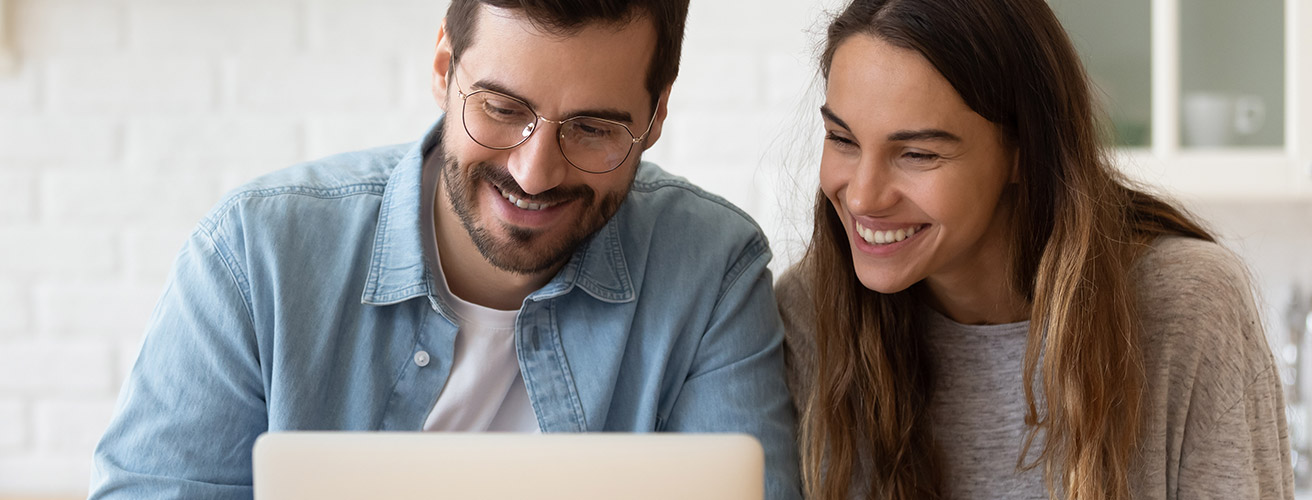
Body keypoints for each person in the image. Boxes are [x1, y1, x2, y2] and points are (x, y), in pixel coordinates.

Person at [89, 1, 802, 498]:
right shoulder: (253, 257)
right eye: (501, 109)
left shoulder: (713, 271)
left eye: (592, 129)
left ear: (655, 117)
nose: (535, 173)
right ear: (443, 66)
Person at [776, 0, 1292, 498]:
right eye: (842, 139)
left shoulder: (1187, 308)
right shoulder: (811, 310)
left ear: (1024, 152)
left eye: (916, 153)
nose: (863, 195)